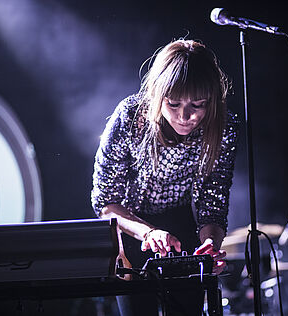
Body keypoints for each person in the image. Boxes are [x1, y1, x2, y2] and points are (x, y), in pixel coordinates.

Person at [91, 39, 239, 316]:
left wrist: (210, 244)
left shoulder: (224, 127)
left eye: (198, 105)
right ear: (158, 97)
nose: (185, 116)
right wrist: (148, 233)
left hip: (182, 227)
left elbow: (214, 201)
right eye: (173, 104)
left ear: (213, 101)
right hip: (129, 228)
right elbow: (105, 203)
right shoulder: (129, 116)